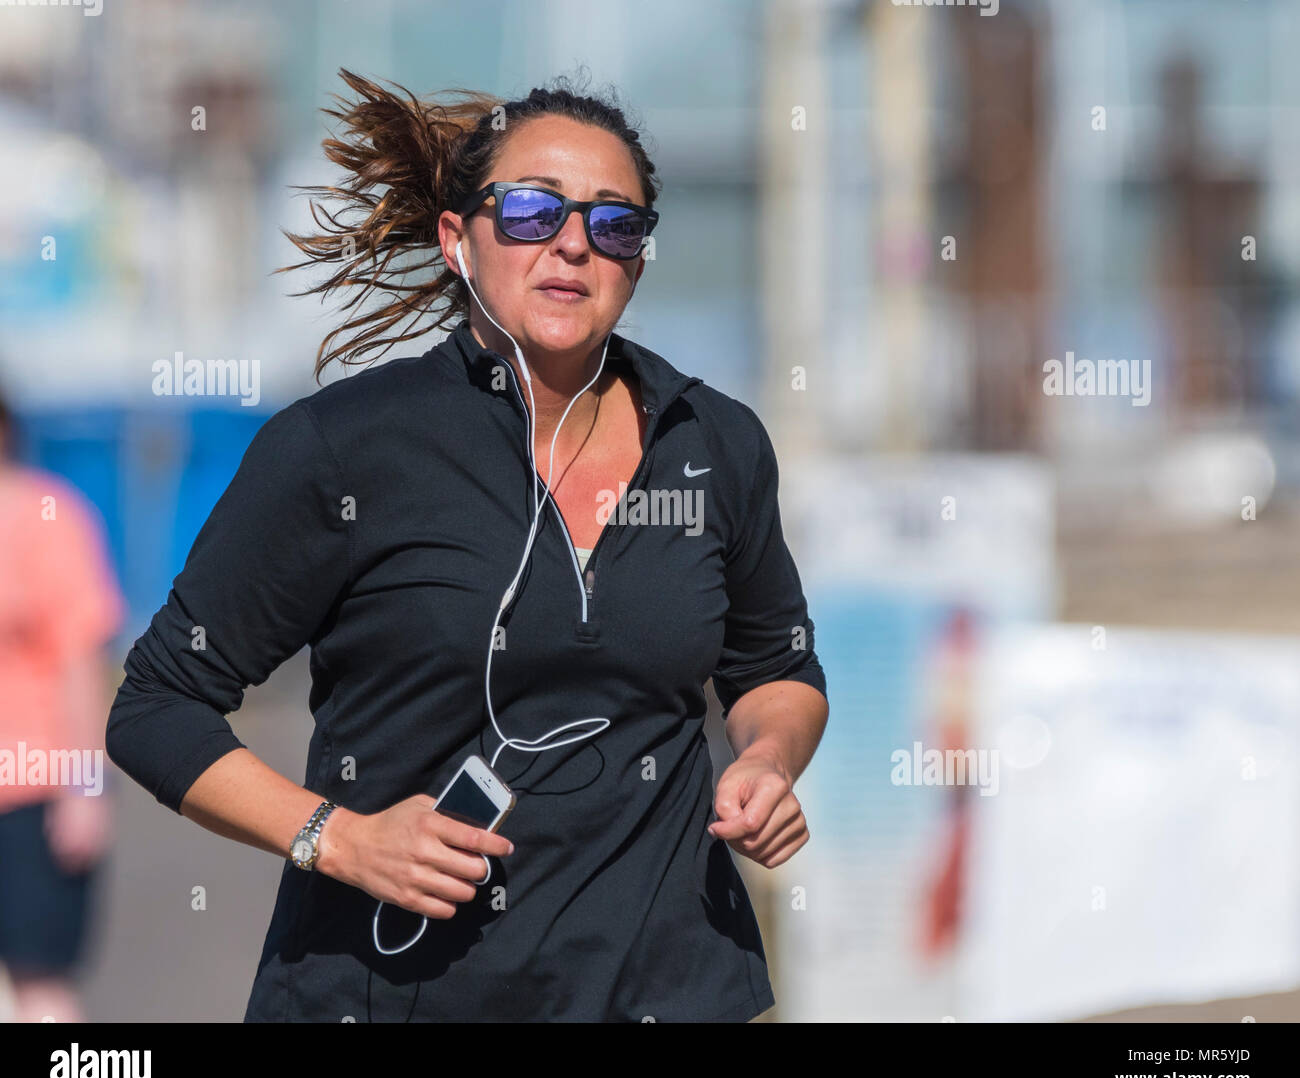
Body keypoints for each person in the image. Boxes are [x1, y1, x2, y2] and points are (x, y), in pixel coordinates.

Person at [106, 71, 829, 1022]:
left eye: (615, 224)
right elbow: (156, 707)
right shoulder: (344, 447)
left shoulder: (717, 441)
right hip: (395, 993)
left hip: (669, 989)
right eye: (532, 211)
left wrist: (769, 757)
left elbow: (777, 666)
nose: (574, 241)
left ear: (638, 263)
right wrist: (340, 838)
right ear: (459, 241)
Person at [0, 388, 125, 1021]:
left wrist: (85, 788)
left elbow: (81, 661)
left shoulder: (49, 518)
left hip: (30, 796)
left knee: (39, 987)